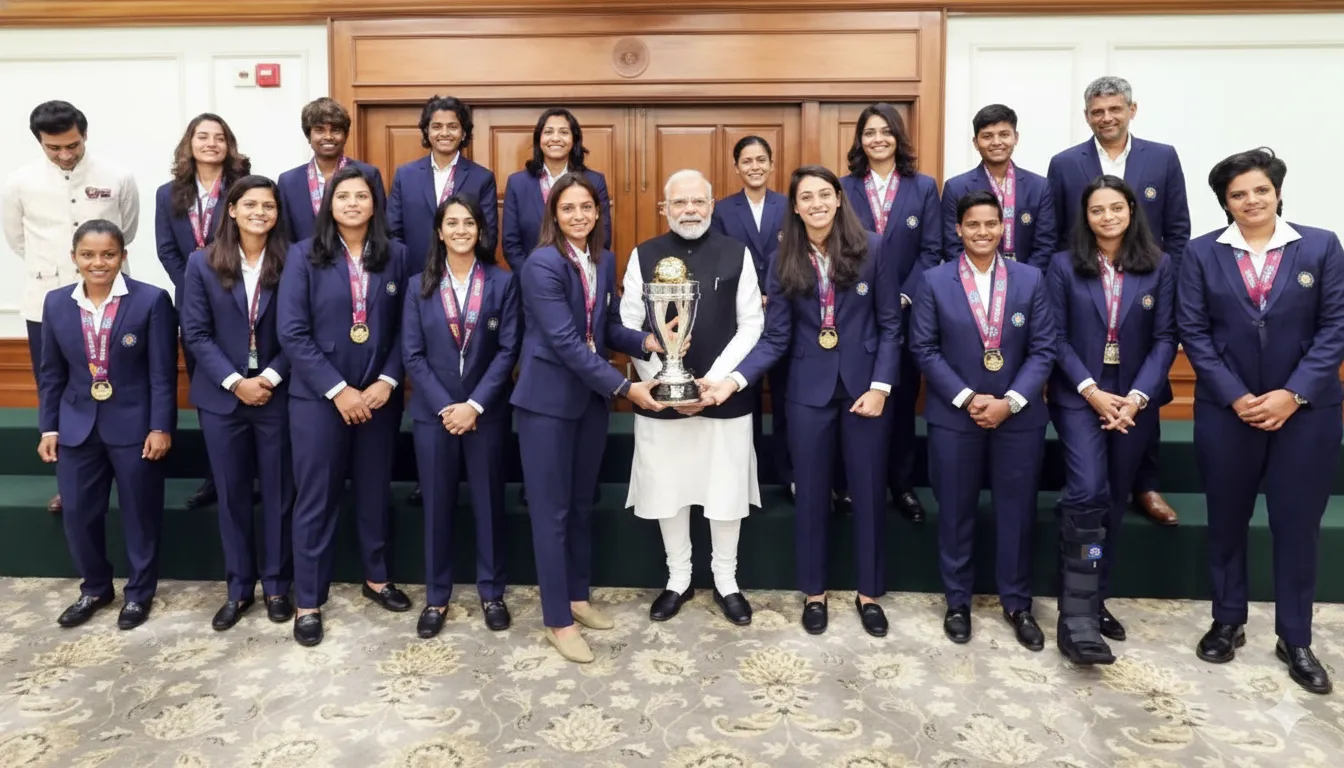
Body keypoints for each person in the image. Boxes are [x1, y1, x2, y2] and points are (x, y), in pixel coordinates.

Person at [705, 165, 898, 638]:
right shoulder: (783, 258)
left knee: (868, 492)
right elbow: (775, 338)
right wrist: (733, 381)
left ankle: (870, 593)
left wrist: (881, 387)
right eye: (806, 197)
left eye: (824, 194)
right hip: (807, 392)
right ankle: (814, 592)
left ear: (838, 199)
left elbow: (891, 325)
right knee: (810, 494)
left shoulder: (873, 248)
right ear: (794, 206)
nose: (816, 204)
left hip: (865, 391)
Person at [1179, 148, 1344, 695]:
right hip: (1228, 412)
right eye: (1238, 194)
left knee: (1297, 524)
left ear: (1277, 192)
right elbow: (1193, 331)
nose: (1251, 201)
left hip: (1306, 413)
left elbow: (1335, 327)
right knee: (1227, 519)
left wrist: (1292, 395)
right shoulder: (1201, 253)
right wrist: (1236, 397)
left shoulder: (1320, 246)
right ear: (1225, 203)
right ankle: (1227, 619)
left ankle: (1295, 636)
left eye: (1260, 190)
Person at [510, 173, 665, 663]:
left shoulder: (603, 259)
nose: (578, 216)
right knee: (551, 514)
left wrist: (647, 340)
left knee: (579, 507)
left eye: (586, 207)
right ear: (554, 215)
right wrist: (624, 387)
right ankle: (557, 620)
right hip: (547, 405)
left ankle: (577, 598)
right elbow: (564, 341)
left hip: (588, 404)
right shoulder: (542, 264)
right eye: (568, 208)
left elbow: (605, 326)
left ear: (598, 213)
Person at [910, 190, 1055, 651]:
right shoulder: (934, 281)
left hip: (1018, 417)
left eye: (991, 223)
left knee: (1017, 512)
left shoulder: (1030, 279)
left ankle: (1017, 603)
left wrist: (1009, 402)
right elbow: (923, 348)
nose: (982, 232)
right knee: (955, 511)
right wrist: (969, 398)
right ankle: (957, 602)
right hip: (956, 417)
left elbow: (1044, 349)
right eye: (973, 224)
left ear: (1002, 227)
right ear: (958, 229)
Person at [620, 169, 763, 626]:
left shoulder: (737, 252)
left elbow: (752, 324)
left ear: (712, 205)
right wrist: (664, 384)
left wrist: (713, 384)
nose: (689, 210)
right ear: (665, 208)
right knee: (670, 490)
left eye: (698, 202)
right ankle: (678, 578)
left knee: (725, 491)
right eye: (679, 203)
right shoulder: (643, 255)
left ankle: (726, 581)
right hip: (662, 402)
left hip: (723, 399)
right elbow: (629, 326)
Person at [277, 166, 412, 647]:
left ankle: (377, 578)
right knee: (316, 498)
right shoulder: (302, 255)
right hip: (319, 400)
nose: (353, 203)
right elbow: (292, 331)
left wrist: (388, 380)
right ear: (328, 204)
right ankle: (309, 601)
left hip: (378, 397)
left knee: (375, 491)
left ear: (375, 204)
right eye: (343, 196)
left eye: (362, 196)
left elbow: (408, 326)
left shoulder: (397, 255)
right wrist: (338, 390)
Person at [1047, 76, 1190, 526]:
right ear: (1087, 116)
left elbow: (1178, 230)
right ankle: (1087, 491)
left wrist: (1168, 288)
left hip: (1145, 289)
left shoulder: (1162, 157)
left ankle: (1144, 486)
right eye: (1097, 111)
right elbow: (1055, 231)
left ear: (1132, 109)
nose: (1106, 117)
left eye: (1114, 109)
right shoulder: (1065, 163)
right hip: (1088, 288)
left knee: (1144, 390)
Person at [1045, 175, 1176, 665]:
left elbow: (1165, 338)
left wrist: (1136, 398)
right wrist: (1092, 392)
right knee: (1087, 492)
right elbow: (1055, 337)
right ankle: (1075, 610)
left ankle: (1095, 598)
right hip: (1080, 394)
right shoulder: (1063, 265)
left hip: (1134, 400)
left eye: (1116, 208)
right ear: (1085, 216)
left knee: (1116, 499)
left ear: (1131, 211)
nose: (1107, 217)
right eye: (1097, 210)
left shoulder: (1159, 264)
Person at [3, 100, 140, 516]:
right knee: (57, 388)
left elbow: (127, 230)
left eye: (72, 145)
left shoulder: (117, 176)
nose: (65, 154)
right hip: (48, 301)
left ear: (84, 135)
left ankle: (124, 473)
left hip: (111, 302)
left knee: (117, 383)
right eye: (54, 148)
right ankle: (71, 484)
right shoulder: (19, 182)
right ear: (39, 142)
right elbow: (17, 239)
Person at [37, 220, 175, 630]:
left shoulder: (151, 300)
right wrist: (49, 428)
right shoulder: (56, 303)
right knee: (78, 515)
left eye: (108, 254)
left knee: (140, 514)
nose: (98, 263)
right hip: (76, 426)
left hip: (135, 428)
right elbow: (51, 373)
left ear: (122, 256)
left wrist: (160, 427)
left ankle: (139, 593)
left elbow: (162, 373)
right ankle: (95, 588)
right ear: (75, 258)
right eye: (88, 255)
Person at [180, 175, 296, 630]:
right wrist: (235, 382)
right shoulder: (202, 262)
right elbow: (196, 333)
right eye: (250, 204)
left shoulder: (294, 260)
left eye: (268, 206)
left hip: (276, 394)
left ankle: (278, 585)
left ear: (277, 213)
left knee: (279, 495)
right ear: (231, 210)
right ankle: (239, 588)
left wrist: (268, 377)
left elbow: (301, 329)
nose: (259, 213)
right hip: (222, 399)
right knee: (231, 496)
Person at [403, 194, 519, 638]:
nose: (461, 230)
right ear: (439, 231)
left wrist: (474, 405)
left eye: (469, 222)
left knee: (489, 505)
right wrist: (446, 406)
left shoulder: (502, 283)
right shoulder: (418, 286)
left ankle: (492, 592)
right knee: (437, 507)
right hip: (434, 415)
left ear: (480, 230)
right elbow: (412, 354)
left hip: (484, 413)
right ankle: (437, 597)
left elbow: (508, 350)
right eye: (452, 223)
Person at [388, 95, 497, 507]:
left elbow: (487, 235)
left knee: (465, 369)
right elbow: (394, 233)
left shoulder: (480, 177)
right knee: (425, 370)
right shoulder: (405, 175)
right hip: (423, 290)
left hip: (466, 287)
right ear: (426, 131)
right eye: (437, 126)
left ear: (464, 131)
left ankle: (469, 468)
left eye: (453, 126)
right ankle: (428, 477)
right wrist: (421, 282)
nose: (445, 132)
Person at [838, 102, 940, 523]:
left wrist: (902, 296)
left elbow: (932, 250)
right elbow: (835, 248)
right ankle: (851, 483)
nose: (878, 139)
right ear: (860, 140)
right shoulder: (843, 187)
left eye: (885, 131)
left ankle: (901, 485)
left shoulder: (923, 187)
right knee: (854, 396)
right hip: (856, 313)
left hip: (907, 314)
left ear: (898, 137)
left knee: (899, 400)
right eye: (869, 133)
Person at [154, 112, 252, 511]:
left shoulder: (242, 188)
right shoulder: (168, 193)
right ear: (189, 144)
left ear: (229, 145)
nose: (211, 143)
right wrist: (196, 286)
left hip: (242, 301)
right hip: (194, 308)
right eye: (202, 136)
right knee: (212, 393)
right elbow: (167, 250)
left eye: (219, 137)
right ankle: (217, 477)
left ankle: (255, 475)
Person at [710, 136, 792, 495]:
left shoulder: (789, 205)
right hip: (740, 318)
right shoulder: (723, 210)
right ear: (736, 167)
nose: (754, 166)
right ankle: (747, 476)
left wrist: (775, 292)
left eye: (761, 159)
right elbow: (718, 257)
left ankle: (789, 474)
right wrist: (749, 294)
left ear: (771, 164)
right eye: (747, 161)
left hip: (785, 311)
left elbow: (798, 254)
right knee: (745, 396)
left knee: (787, 397)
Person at [942, 104, 1056, 270]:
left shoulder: (1039, 187)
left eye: (1004, 135)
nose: (996, 142)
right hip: (971, 279)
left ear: (1016, 137)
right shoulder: (956, 188)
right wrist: (979, 278)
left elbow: (1045, 245)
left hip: (1027, 280)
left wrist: (1026, 279)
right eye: (987, 136)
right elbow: (952, 246)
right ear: (975, 142)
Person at [502, 107, 613, 274]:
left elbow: (602, 237)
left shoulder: (594, 181)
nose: (555, 138)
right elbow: (511, 243)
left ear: (574, 139)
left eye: (563, 132)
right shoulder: (518, 183)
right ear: (539, 138)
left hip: (582, 277)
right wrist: (533, 276)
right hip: (532, 279)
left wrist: (581, 276)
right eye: (548, 132)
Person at [277, 97, 386, 242]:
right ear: (308, 136)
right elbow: (284, 235)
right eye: (319, 130)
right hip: (306, 256)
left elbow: (380, 226)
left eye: (335, 130)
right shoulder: (288, 181)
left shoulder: (369, 174)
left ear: (345, 136)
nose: (328, 137)